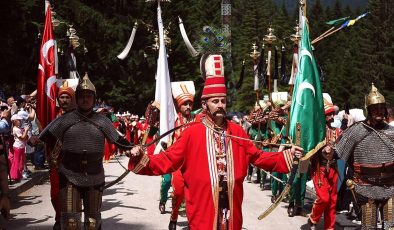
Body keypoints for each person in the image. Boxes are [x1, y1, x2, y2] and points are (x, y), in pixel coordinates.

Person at [128, 54, 303, 230]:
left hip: (231, 214)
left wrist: (288, 156)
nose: (220, 105)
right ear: (204, 105)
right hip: (202, 212)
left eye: (223, 101)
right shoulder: (192, 133)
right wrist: (141, 158)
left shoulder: (237, 132)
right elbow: (167, 160)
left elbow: (259, 157)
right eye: (215, 101)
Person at [40, 73, 132, 229]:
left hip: (94, 175)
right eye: (81, 96)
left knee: (92, 223)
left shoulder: (102, 120)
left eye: (88, 96)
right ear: (77, 98)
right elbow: (46, 137)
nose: (85, 99)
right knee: (71, 223)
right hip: (69, 175)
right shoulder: (65, 119)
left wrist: (132, 148)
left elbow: (118, 139)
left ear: (94, 98)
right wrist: (53, 154)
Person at [336, 84, 394, 229]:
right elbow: (338, 153)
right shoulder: (355, 131)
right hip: (365, 186)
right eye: (375, 108)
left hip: (390, 186)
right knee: (369, 227)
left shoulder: (392, 132)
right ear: (369, 110)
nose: (379, 111)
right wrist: (327, 153)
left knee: (391, 226)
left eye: (381, 108)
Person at [308, 98, 341, 230]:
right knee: (323, 198)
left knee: (332, 201)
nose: (332, 116)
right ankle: (313, 218)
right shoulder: (315, 132)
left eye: (333, 113)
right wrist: (322, 149)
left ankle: (330, 227)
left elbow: (343, 148)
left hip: (333, 168)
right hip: (319, 168)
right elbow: (309, 149)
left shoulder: (337, 131)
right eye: (329, 113)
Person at [47, 80, 75, 229]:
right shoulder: (52, 117)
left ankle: (70, 221)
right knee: (55, 194)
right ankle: (59, 218)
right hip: (56, 162)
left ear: (72, 99)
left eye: (67, 97)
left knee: (72, 195)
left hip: (73, 163)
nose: (64, 100)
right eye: (62, 97)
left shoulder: (78, 117)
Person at [168, 81, 196, 230]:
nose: (188, 107)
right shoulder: (172, 120)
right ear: (179, 105)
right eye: (185, 104)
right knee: (178, 193)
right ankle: (173, 217)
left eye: (190, 104)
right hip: (178, 163)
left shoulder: (197, 121)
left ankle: (192, 221)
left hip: (193, 164)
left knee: (192, 194)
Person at [9, 114, 30, 182]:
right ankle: (14, 175)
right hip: (18, 147)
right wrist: (26, 130)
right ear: (14, 121)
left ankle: (18, 175)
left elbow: (25, 137)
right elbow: (23, 138)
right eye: (18, 120)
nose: (20, 121)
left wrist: (25, 131)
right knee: (17, 161)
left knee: (21, 161)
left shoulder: (18, 128)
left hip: (21, 146)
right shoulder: (16, 129)